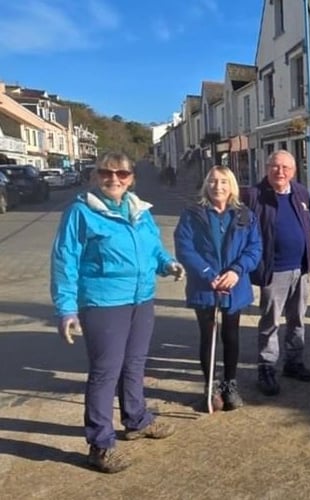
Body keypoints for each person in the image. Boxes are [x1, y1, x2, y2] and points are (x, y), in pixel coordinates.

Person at [50, 152, 185, 474]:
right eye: (107, 173)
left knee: (135, 364)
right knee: (105, 372)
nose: (114, 179)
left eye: (121, 174)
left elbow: (153, 247)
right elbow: (64, 260)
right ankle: (100, 444)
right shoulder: (81, 212)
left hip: (142, 298)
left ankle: (136, 420)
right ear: (96, 176)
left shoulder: (139, 209)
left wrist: (167, 264)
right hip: (103, 302)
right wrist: (66, 308)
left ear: (131, 178)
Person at [174, 166, 262, 411]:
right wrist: (207, 274)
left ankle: (230, 384)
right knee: (208, 336)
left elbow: (254, 248)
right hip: (205, 286)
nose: (218, 186)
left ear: (231, 185)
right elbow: (184, 247)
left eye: (223, 181)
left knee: (231, 336)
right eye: (213, 181)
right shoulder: (193, 214)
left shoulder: (245, 215)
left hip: (234, 285)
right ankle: (210, 385)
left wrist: (236, 271)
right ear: (206, 185)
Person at [247, 150, 310, 397]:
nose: (280, 172)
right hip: (273, 270)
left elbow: (308, 226)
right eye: (275, 166)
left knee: (297, 318)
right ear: (267, 168)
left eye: (286, 167)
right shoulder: (255, 196)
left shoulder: (301, 193)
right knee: (270, 322)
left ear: (293, 171)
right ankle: (266, 368)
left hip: (301, 268)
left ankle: (294, 362)